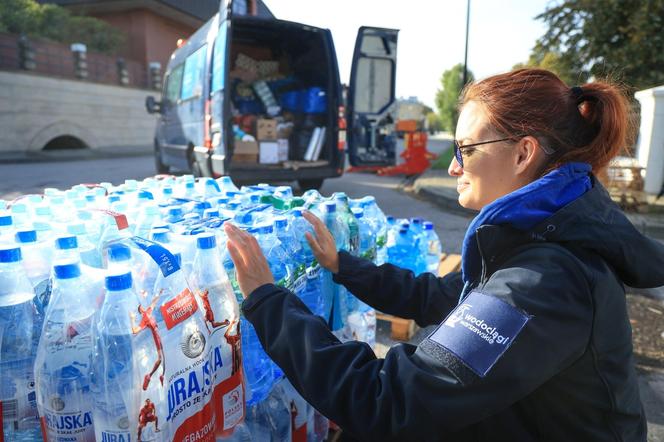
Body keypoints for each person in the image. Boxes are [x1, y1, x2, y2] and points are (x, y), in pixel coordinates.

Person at [223, 68, 664, 441]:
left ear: (523, 154)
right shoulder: (535, 235)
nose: (453, 167)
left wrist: (267, 299)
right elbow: (437, 296)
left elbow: (387, 401)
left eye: (465, 150)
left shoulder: (547, 279)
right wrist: (342, 266)